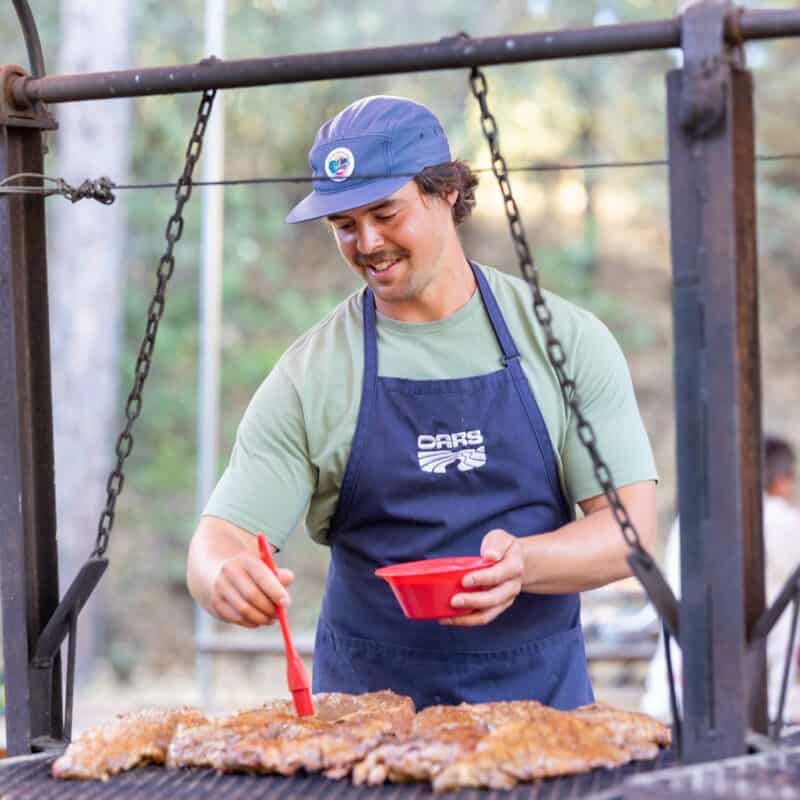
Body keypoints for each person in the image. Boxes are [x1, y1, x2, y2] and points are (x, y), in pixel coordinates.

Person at [187, 95, 657, 710]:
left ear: (447, 194)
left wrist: (524, 564)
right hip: (365, 730)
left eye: (385, 213)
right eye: (344, 226)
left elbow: (630, 533)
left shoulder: (564, 341)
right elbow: (219, 538)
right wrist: (223, 577)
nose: (368, 242)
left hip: (542, 723)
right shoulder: (313, 374)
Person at [641, 434, 800, 724]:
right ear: (782, 480)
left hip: (672, 698)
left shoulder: (692, 517)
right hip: (756, 709)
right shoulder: (782, 520)